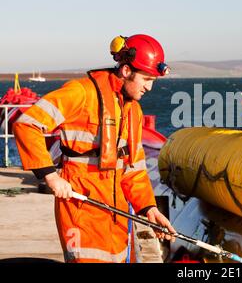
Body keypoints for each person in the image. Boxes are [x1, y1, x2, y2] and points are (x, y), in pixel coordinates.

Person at [13, 34, 176, 263]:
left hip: (117, 214)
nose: (149, 87)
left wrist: (148, 208)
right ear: (127, 71)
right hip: (81, 207)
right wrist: (50, 176)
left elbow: (134, 168)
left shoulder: (133, 112)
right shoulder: (81, 93)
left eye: (153, 81)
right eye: (146, 79)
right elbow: (27, 124)